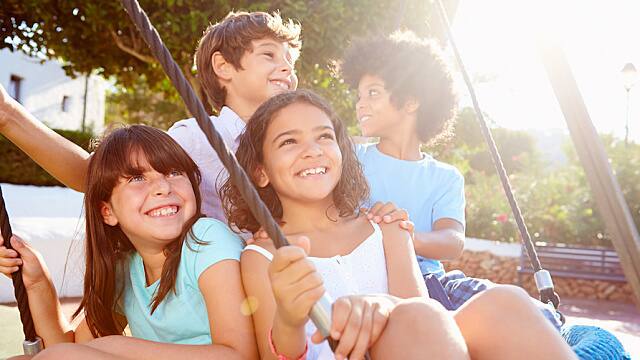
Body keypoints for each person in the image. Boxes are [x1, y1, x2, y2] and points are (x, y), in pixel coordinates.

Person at [220, 89, 577, 360]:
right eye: (289, 142)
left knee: (505, 301)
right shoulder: (264, 256)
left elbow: (423, 319)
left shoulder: (385, 227)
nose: (312, 150)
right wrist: (289, 317)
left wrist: (382, 305)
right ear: (260, 172)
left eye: (324, 136)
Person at [340, 31, 563, 328]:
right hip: (368, 279)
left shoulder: (444, 177)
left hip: (433, 281)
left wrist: (405, 236)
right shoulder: (351, 158)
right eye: (359, 96)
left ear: (411, 102)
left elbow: (452, 241)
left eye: (373, 93)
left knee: (536, 315)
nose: (360, 104)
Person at [0, 11, 300, 221]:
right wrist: (9, 115)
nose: (288, 68)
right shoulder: (196, 138)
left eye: (291, 60)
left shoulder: (302, 141)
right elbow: (89, 172)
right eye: (269, 55)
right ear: (223, 67)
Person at [0, 125, 256, 359]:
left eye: (174, 172)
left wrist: (119, 348)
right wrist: (37, 283)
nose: (163, 187)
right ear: (107, 212)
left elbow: (239, 354)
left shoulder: (207, 239)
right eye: (136, 178)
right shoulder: (127, 267)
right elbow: (69, 348)